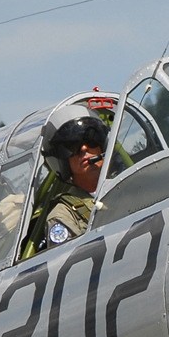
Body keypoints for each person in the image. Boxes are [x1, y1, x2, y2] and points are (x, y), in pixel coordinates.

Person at [21, 105, 107, 259]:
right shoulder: (62, 215)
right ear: (61, 159)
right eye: (72, 145)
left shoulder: (131, 186)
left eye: (91, 139)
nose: (84, 148)